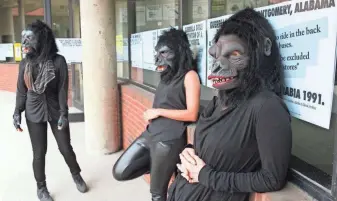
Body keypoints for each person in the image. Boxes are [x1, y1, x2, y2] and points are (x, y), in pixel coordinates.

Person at [167, 8, 292, 201]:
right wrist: (189, 150)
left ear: (263, 50)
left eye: (233, 55)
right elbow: (212, 144)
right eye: (216, 55)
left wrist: (205, 175)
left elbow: (272, 179)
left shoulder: (267, 107)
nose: (217, 65)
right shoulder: (221, 98)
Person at [112, 28, 201, 201]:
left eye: (164, 52)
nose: (158, 58)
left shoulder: (190, 76)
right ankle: (163, 167)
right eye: (157, 53)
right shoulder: (167, 76)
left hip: (168, 140)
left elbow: (192, 114)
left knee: (157, 194)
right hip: (151, 134)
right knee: (120, 171)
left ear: (178, 51)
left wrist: (158, 111)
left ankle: (164, 166)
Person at [13, 20, 88, 201]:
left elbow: (62, 90)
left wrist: (64, 113)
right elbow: (21, 92)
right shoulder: (25, 64)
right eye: (23, 38)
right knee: (39, 152)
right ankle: (41, 188)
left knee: (65, 147)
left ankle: (76, 174)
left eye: (29, 38)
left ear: (42, 39)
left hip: (55, 108)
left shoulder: (58, 61)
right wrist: (17, 112)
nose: (24, 43)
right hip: (33, 110)